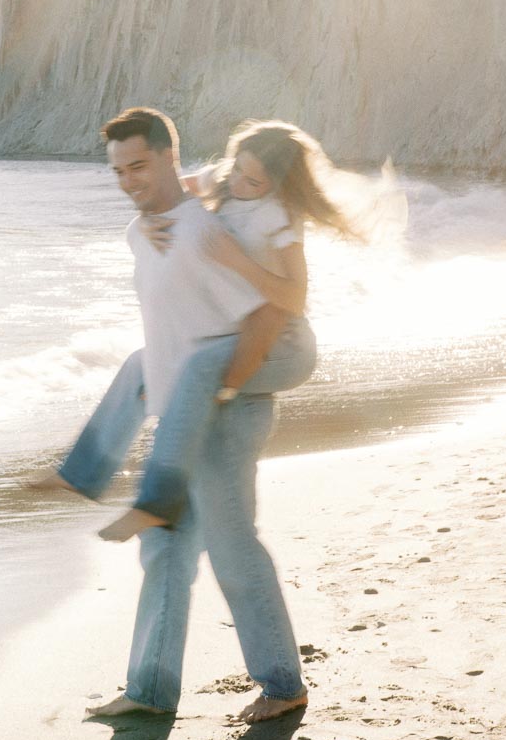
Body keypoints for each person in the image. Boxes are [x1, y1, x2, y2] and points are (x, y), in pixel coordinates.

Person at [72, 106, 309, 724]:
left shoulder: (265, 223)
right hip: (196, 400)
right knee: (168, 549)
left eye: (139, 166)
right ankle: (150, 689)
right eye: (120, 171)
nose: (128, 179)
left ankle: (283, 683)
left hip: (233, 397)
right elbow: (188, 195)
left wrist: (224, 389)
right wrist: (147, 220)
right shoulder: (199, 206)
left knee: (231, 545)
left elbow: (277, 310)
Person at [94, 119, 363, 542]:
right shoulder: (223, 179)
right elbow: (167, 195)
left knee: (197, 367)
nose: (239, 183)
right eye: (237, 169)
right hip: (241, 338)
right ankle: (98, 473)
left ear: (276, 184)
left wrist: (238, 262)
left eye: (253, 181)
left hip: (287, 349)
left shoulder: (279, 218)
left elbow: (293, 301)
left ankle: (155, 500)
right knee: (148, 364)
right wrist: (147, 224)